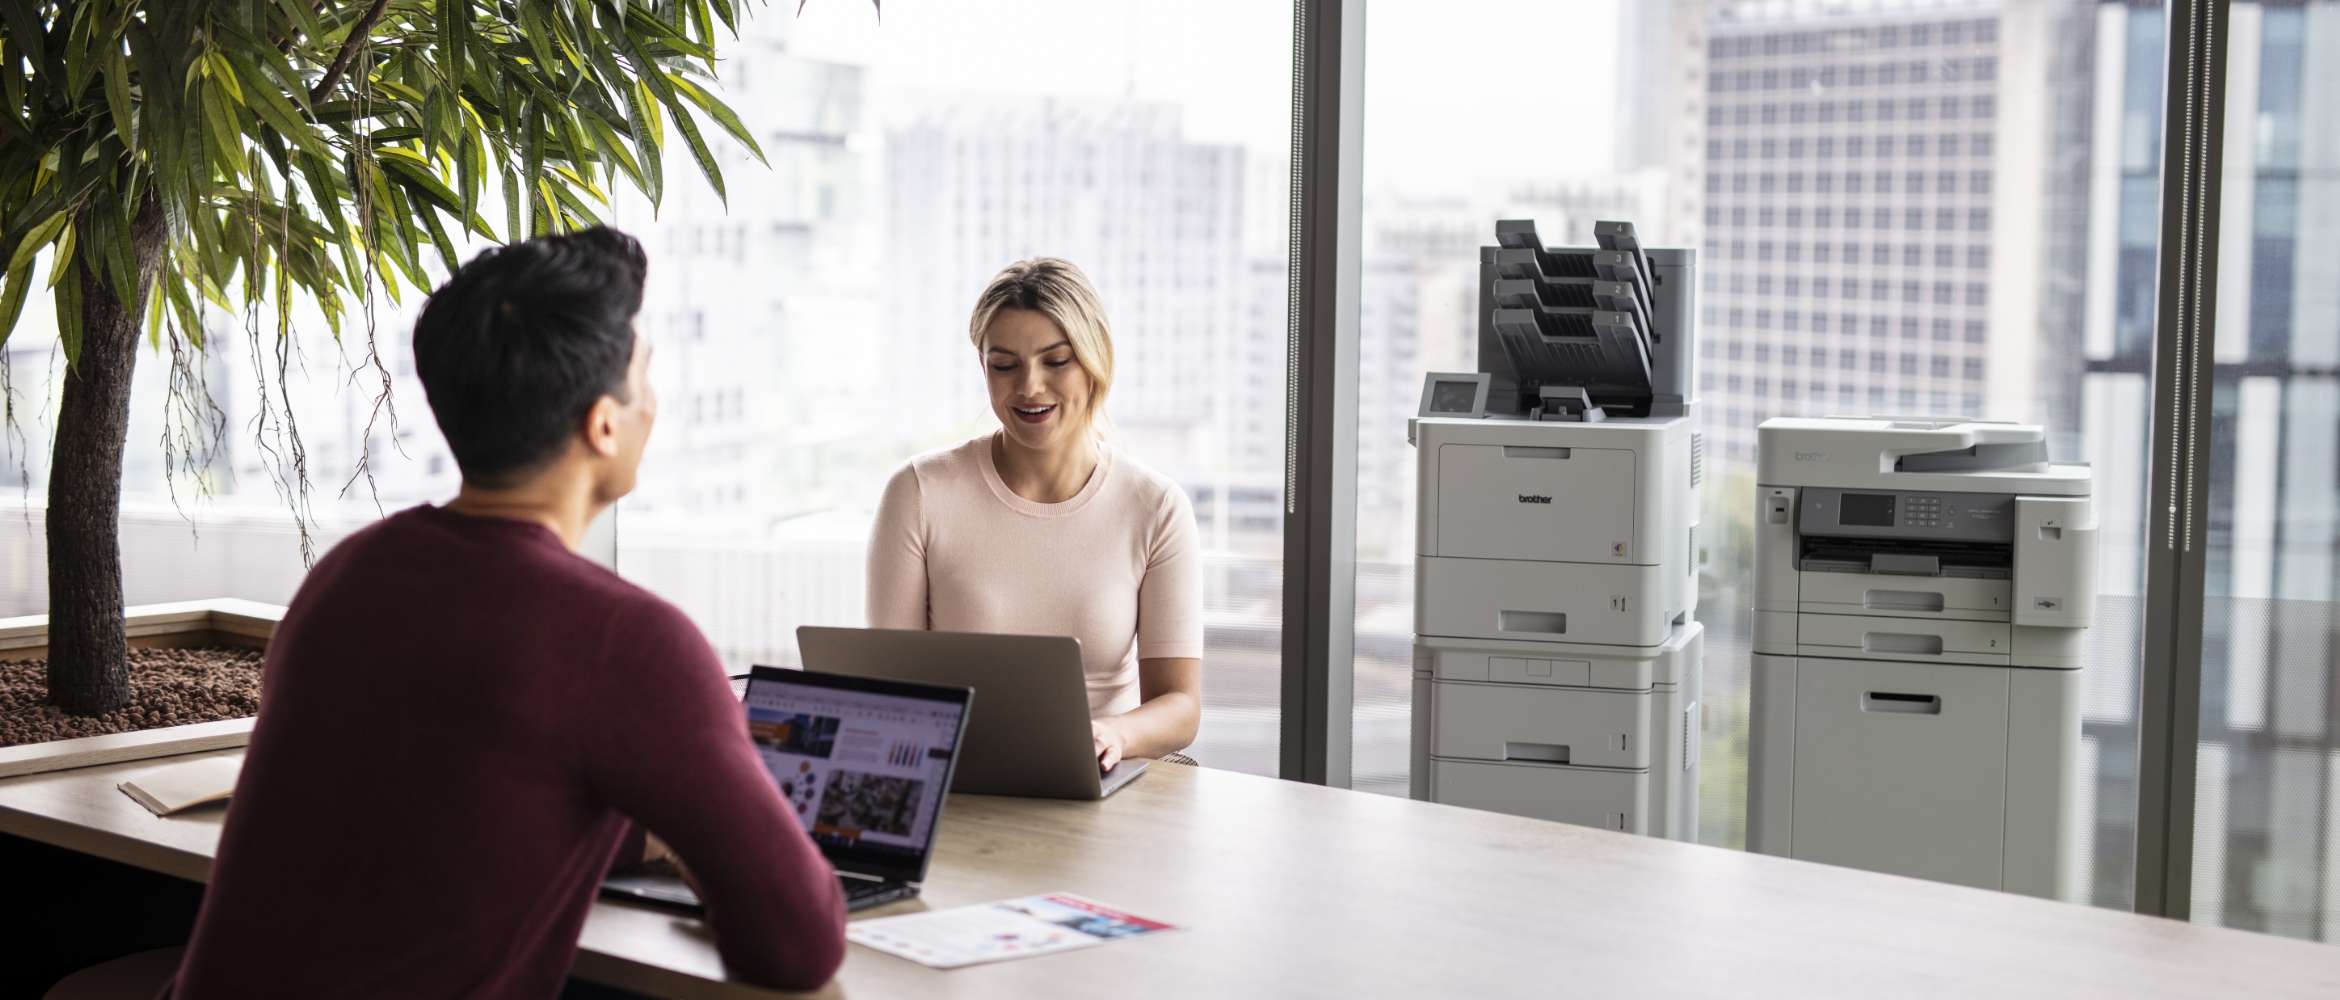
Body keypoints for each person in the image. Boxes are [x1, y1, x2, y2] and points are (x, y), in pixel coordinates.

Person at [170, 228, 846, 997]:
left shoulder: (349, 575)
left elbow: (475, 802)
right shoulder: (626, 639)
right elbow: (796, 944)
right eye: (646, 377)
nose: (655, 402)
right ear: (604, 424)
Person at [866, 258, 1203, 772]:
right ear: (983, 368)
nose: (1029, 387)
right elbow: (888, 684)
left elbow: (1180, 707)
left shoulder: (1155, 507)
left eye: (1056, 361)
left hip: (1099, 778)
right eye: (1005, 365)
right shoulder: (918, 493)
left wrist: (1113, 733)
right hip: (958, 779)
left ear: (1095, 361)